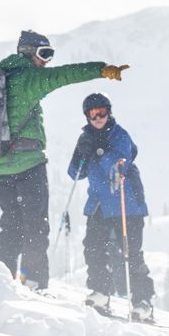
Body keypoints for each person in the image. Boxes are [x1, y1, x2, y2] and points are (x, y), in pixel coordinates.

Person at [0, 31, 127, 290]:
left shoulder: (0, 79)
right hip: (28, 164)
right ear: (28, 53)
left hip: (0, 166)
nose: (46, 61)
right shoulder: (30, 78)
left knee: (11, 227)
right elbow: (66, 75)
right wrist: (102, 70)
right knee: (36, 228)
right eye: (43, 54)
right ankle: (33, 283)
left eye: (50, 55)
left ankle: (0, 282)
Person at [66, 93, 154, 323]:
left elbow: (119, 167)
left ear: (109, 112)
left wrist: (100, 150)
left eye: (101, 112)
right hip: (99, 204)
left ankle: (142, 302)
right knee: (93, 248)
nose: (97, 118)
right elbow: (75, 173)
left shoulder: (119, 135)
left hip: (126, 204)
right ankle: (100, 292)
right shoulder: (85, 138)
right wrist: (81, 154)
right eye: (92, 114)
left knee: (131, 252)